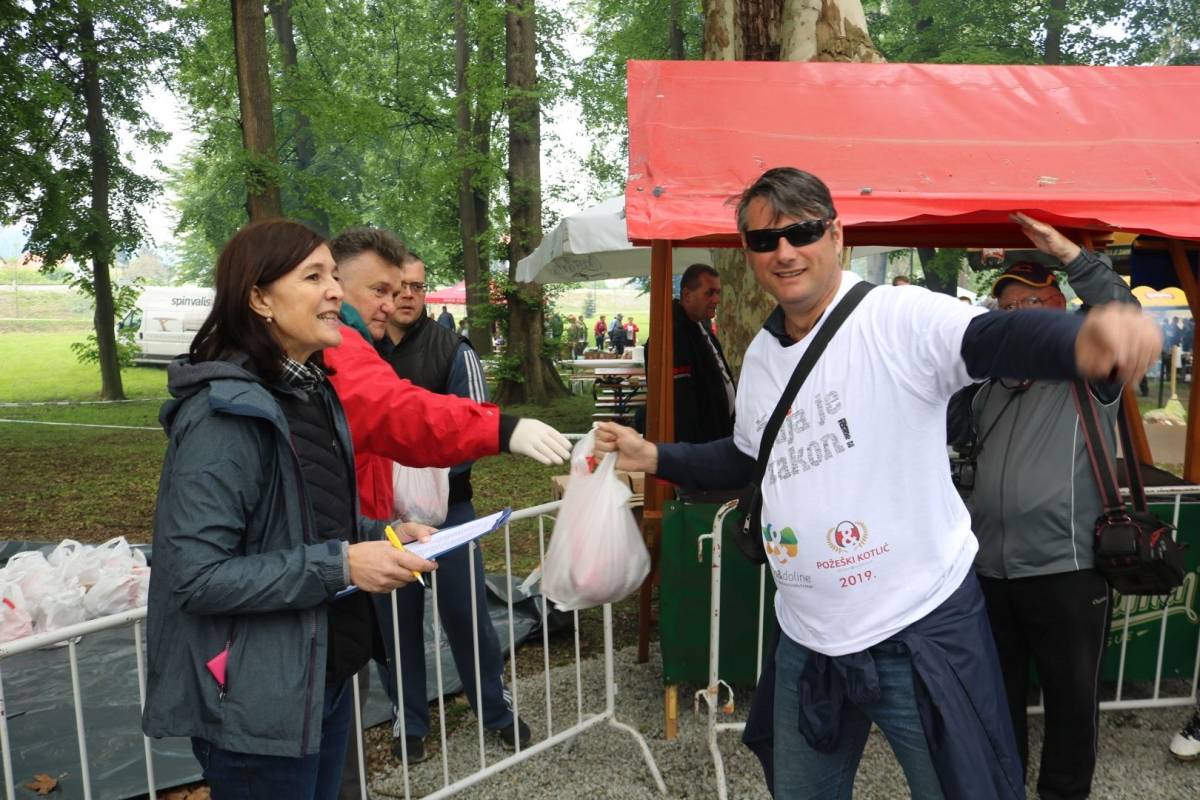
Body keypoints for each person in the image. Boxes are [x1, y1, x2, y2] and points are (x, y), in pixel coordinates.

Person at [593, 167, 1160, 799]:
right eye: (764, 240)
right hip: (807, 634)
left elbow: (991, 336)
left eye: (802, 232)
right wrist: (656, 455)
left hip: (920, 630)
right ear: (748, 254)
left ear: (837, 235)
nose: (785, 252)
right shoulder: (761, 356)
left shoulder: (897, 317)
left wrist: (1079, 338)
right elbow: (749, 458)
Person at [142, 220, 438, 799]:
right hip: (258, 706)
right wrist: (344, 566)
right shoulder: (223, 417)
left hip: (322, 675)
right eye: (314, 277)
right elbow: (196, 577)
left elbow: (308, 522)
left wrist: (382, 534)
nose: (335, 291)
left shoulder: (312, 392)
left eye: (334, 276)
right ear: (259, 299)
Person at [951, 216, 1137, 800]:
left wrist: (1072, 256)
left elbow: (1125, 319)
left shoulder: (1090, 371)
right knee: (995, 700)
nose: (1023, 314)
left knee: (1071, 703)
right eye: (1010, 306)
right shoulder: (982, 389)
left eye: (1035, 301)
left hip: (1067, 570)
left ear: (1061, 308)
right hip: (989, 573)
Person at [376, 242, 533, 761]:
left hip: (449, 513)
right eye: (397, 287)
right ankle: (409, 722)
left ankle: (495, 710)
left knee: (466, 616)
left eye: (417, 286)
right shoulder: (362, 351)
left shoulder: (453, 349)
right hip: (382, 518)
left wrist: (426, 479)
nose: (408, 296)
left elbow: (473, 427)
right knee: (395, 623)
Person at [669, 263, 736, 443]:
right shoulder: (674, 337)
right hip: (701, 447)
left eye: (718, 293)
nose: (717, 299)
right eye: (709, 293)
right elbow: (683, 406)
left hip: (719, 440)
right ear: (687, 295)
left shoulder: (701, 328)